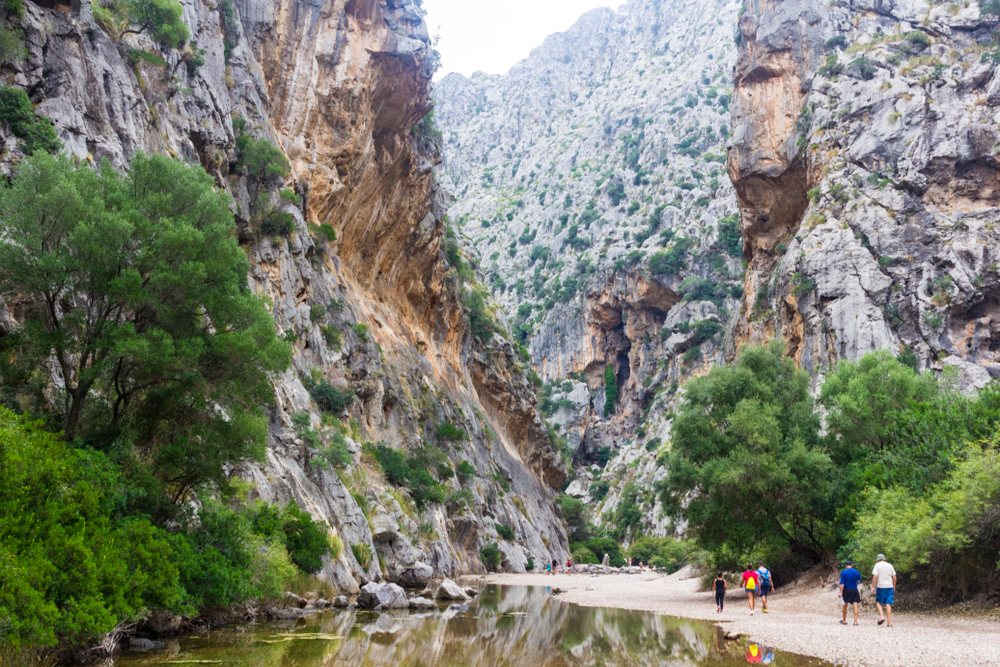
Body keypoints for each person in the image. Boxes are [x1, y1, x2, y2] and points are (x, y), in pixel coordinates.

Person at [872, 553, 897, 627]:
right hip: (889, 586)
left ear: (878, 559)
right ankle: (889, 623)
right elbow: (894, 577)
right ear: (884, 559)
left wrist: (873, 586)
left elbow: (875, 576)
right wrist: (894, 586)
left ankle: (882, 617)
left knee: (878, 602)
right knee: (888, 603)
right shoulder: (890, 565)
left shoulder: (877, 565)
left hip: (881, 586)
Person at [839, 559, 862, 626]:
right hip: (854, 589)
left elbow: (842, 583)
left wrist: (840, 592)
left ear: (845, 566)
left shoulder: (843, 572)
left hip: (846, 590)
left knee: (845, 605)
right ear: (851, 565)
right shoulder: (856, 572)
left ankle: (844, 620)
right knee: (855, 605)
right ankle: (855, 622)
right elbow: (860, 581)